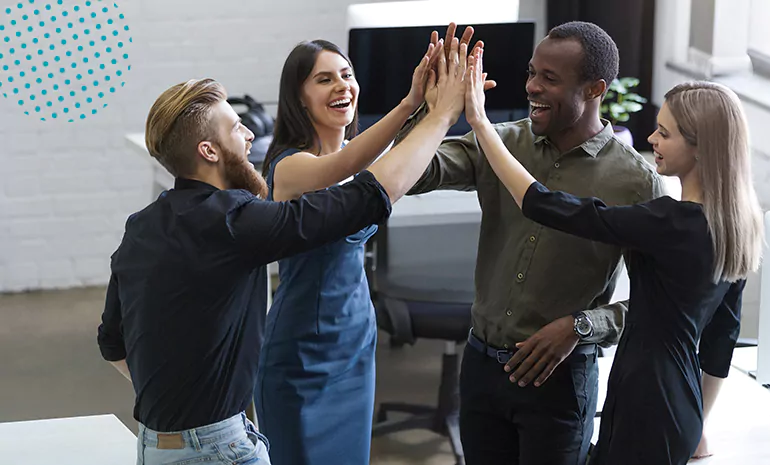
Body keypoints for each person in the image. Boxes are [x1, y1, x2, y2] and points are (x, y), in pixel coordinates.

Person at [95, 40, 469, 465]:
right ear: (209, 151)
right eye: (238, 128)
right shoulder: (237, 222)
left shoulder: (141, 226)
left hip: (158, 444)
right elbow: (364, 196)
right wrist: (439, 116)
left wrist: (181, 412)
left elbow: (112, 343)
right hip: (223, 444)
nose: (252, 133)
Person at [463, 44, 764, 465]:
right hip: (680, 404)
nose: (652, 139)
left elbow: (543, 204)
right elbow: (720, 342)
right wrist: (699, 425)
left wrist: (480, 122)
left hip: (645, 396)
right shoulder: (738, 226)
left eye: (665, 132)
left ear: (700, 147)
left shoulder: (671, 221)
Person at [400, 21, 664, 464]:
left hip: (558, 382)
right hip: (482, 369)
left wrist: (581, 326)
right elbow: (415, 173)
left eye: (550, 79)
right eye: (531, 72)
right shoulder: (502, 142)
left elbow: (659, 307)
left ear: (595, 88)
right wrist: (428, 108)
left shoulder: (636, 184)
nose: (531, 87)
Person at [252, 36, 448, 464]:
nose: (342, 86)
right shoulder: (290, 166)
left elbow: (388, 165)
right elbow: (350, 174)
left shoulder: (350, 154)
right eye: (324, 79)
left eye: (347, 75)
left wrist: (428, 100)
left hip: (356, 337)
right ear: (299, 99)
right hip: (302, 349)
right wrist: (415, 106)